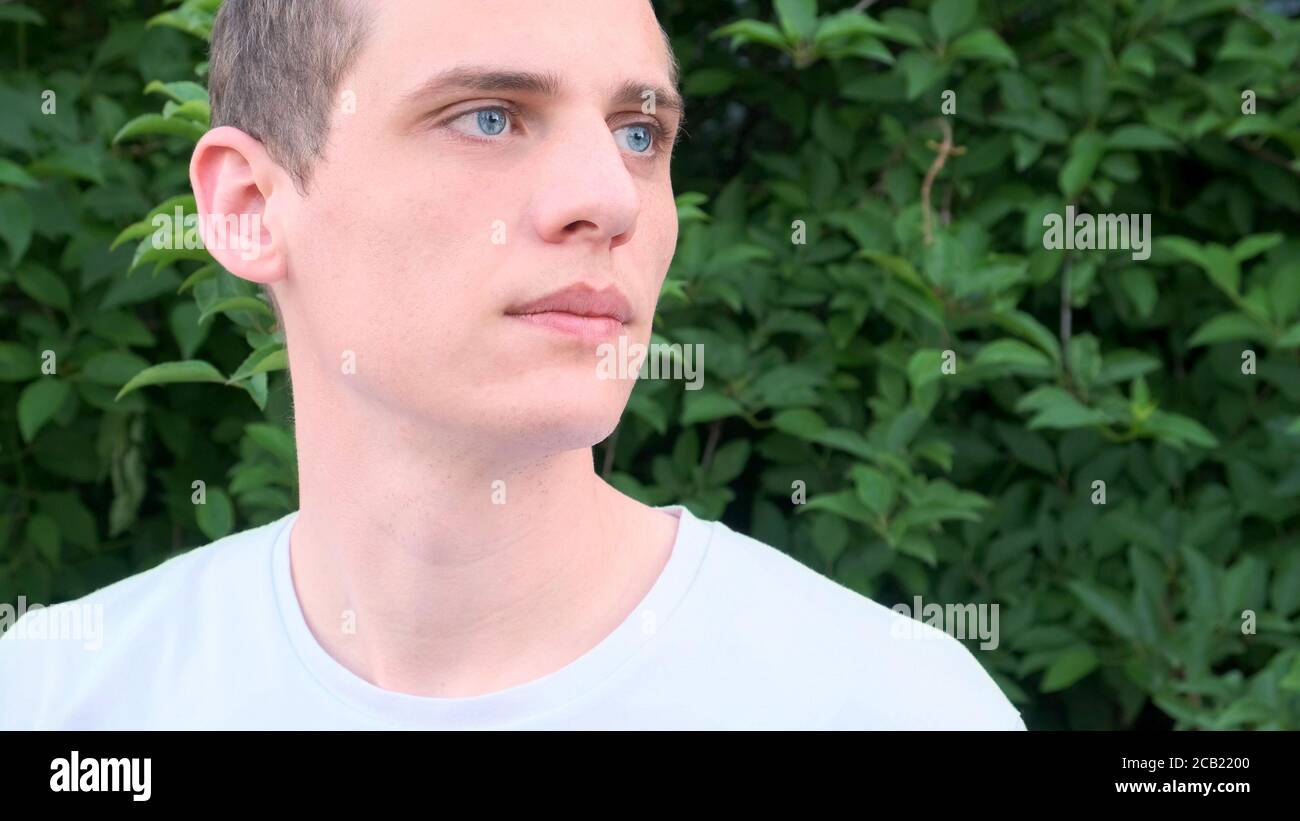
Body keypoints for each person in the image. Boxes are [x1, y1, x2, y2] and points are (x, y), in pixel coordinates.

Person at [0, 0, 1026, 730]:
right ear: (251, 206)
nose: (610, 199)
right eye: (487, 116)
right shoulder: (60, 699)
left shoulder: (885, 705)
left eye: (638, 132)